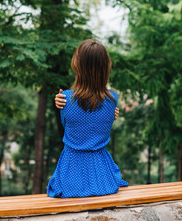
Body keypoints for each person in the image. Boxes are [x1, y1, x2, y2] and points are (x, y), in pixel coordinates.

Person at [47, 39, 128, 198]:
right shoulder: (113, 100)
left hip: (70, 174)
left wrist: (63, 104)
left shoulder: (65, 99)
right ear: (105, 67)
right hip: (103, 176)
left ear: (78, 67)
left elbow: (67, 125)